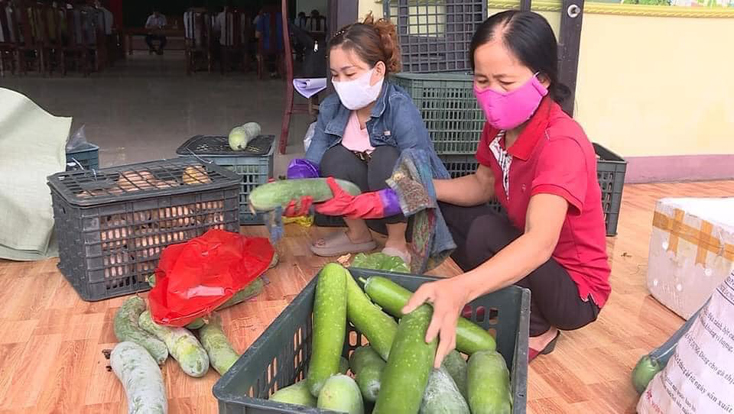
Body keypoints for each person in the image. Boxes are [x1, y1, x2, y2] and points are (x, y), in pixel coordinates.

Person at [402, 11, 611, 366]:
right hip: (532, 255)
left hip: (574, 292)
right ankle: (503, 292)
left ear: (542, 79)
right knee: (447, 211)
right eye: (482, 80)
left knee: (485, 230)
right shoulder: (499, 127)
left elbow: (540, 242)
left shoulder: (561, 142)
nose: (490, 93)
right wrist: (418, 189)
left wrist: (461, 287)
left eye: (505, 81)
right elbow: (481, 186)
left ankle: (540, 327)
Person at [284, 14, 443, 265]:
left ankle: (397, 241)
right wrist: (297, 185)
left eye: (349, 73)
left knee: (385, 156)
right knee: (333, 156)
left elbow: (419, 173)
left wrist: (384, 201)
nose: (341, 83)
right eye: (336, 75)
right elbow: (313, 159)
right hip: (359, 208)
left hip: (407, 210)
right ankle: (358, 234)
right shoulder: (332, 108)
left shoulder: (400, 108)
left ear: (377, 70)